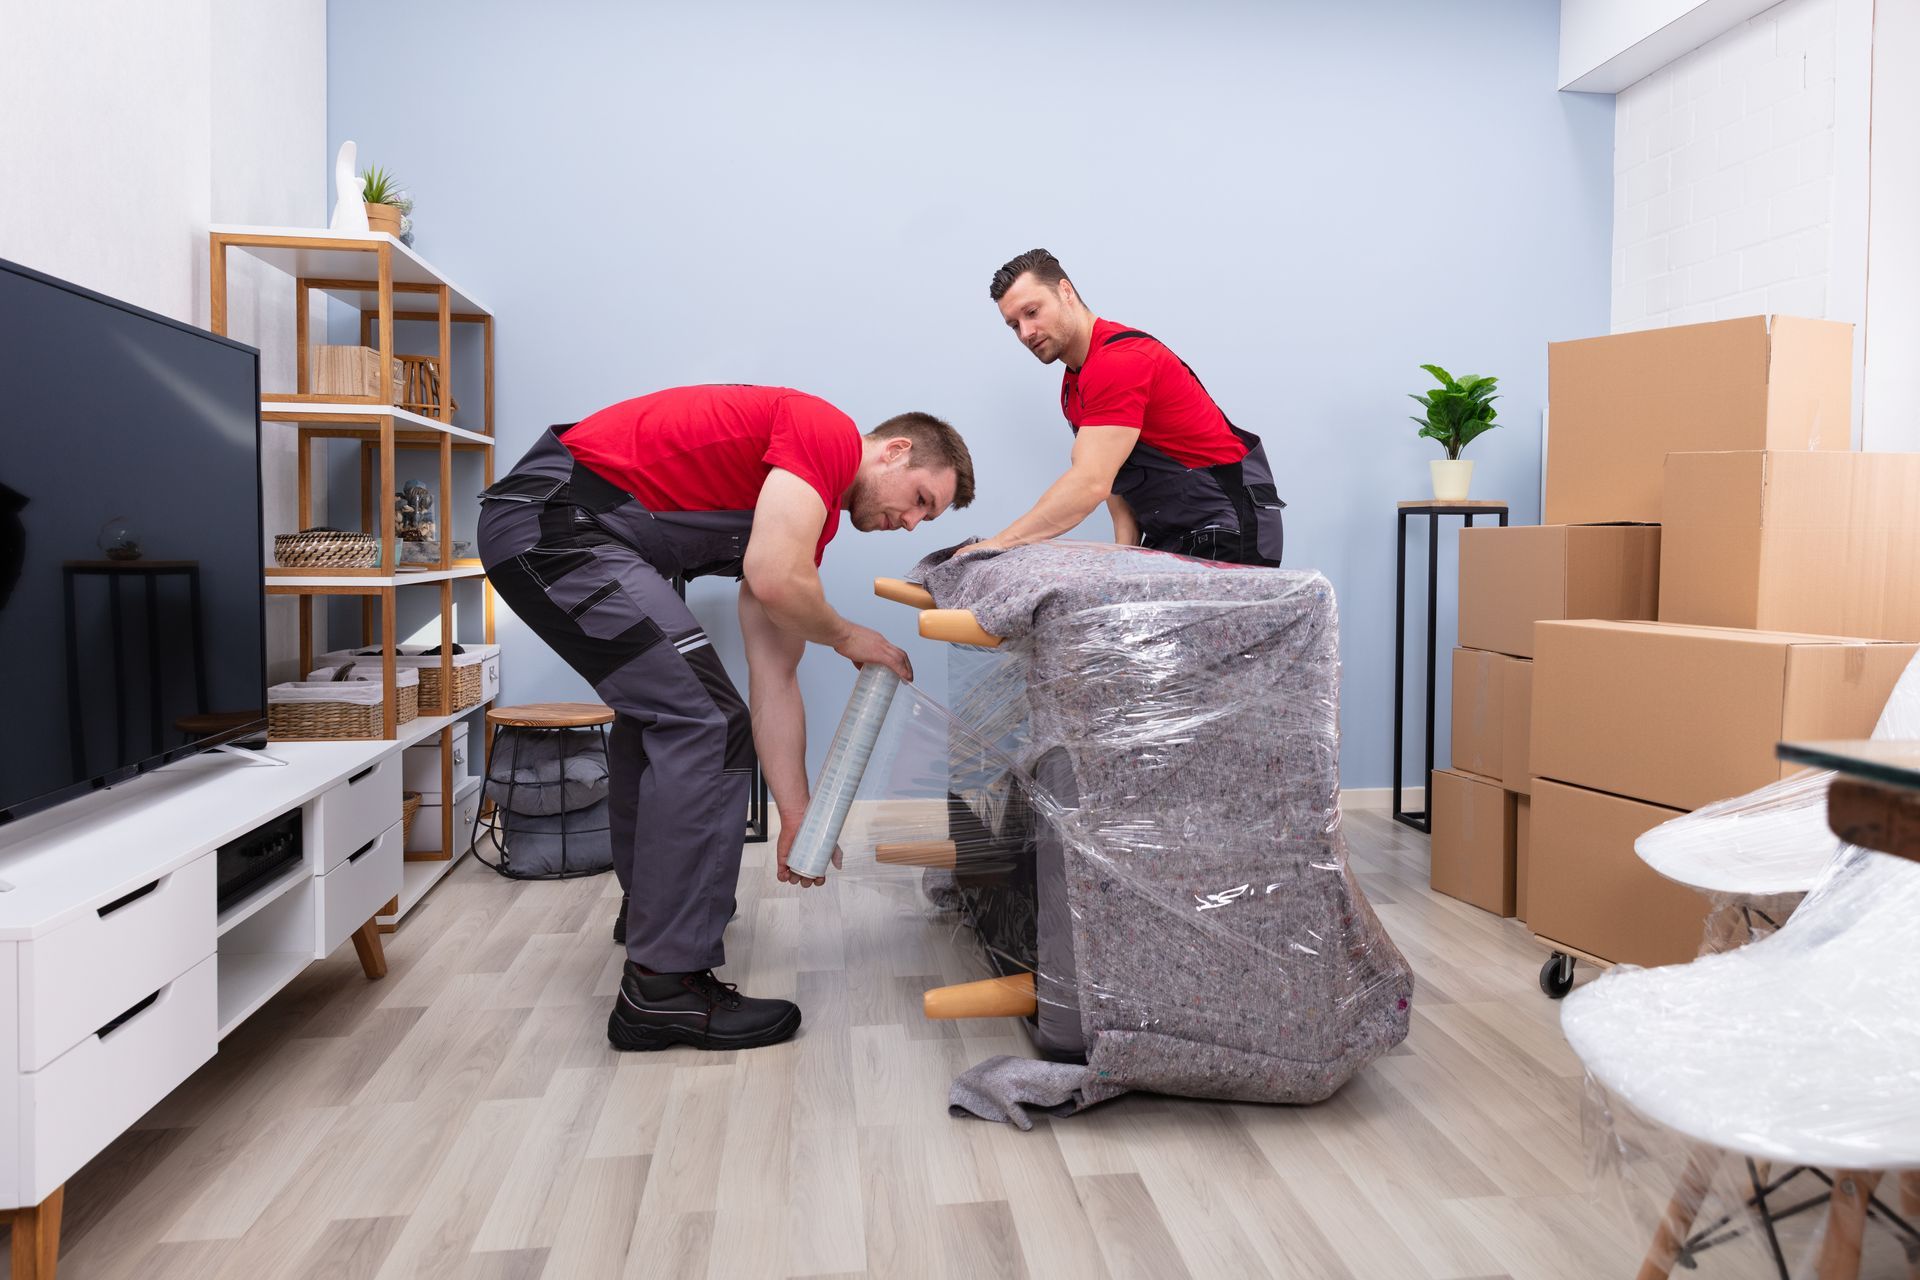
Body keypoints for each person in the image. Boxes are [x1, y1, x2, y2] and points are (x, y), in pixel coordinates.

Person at [478, 386, 974, 1052]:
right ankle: (663, 986)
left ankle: (654, 916)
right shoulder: (824, 433)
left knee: (670, 716)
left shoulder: (800, 523)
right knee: (701, 720)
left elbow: (774, 677)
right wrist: (849, 635)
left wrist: (797, 814)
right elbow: (772, 579)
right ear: (894, 450)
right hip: (557, 525)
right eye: (920, 500)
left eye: (926, 518)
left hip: (557, 529)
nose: (912, 523)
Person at [969, 248, 1284, 566]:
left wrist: (998, 544)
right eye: (1014, 325)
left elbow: (1090, 483)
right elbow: (1116, 480)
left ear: (1065, 292)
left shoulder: (1119, 362)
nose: (1026, 333)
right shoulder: (1073, 385)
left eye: (1032, 312)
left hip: (1227, 525)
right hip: (1175, 533)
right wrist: (1124, 553)